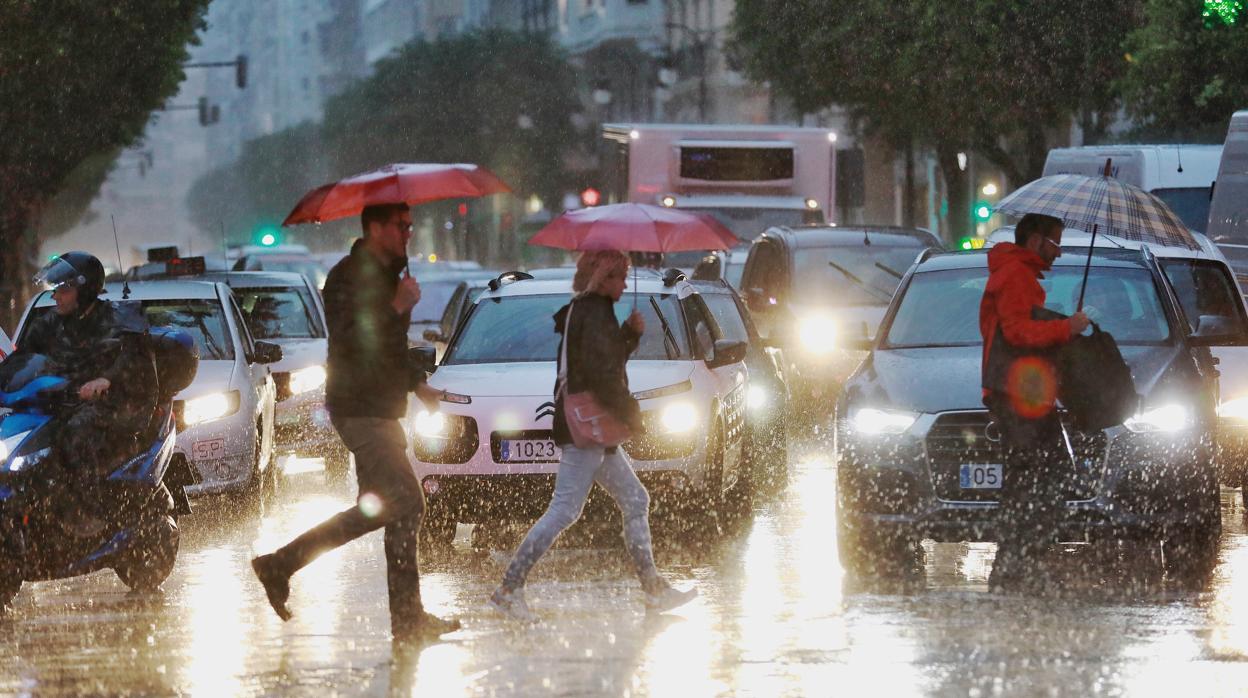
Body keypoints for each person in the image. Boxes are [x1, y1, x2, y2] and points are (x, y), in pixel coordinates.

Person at [250, 203, 458, 643]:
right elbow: (353, 341)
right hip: (359, 407)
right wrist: (395, 306)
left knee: (381, 506)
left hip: (381, 406)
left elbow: (390, 348)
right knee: (408, 503)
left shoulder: (389, 277)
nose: (408, 233)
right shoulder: (347, 276)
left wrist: (418, 383)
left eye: (410, 225)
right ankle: (407, 619)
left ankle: (281, 564)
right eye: (401, 226)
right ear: (376, 228)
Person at [487, 249, 697, 621]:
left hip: (592, 427)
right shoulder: (594, 313)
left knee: (634, 498)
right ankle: (509, 587)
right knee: (565, 509)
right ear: (602, 278)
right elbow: (602, 376)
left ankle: (653, 589)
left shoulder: (586, 311)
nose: (623, 283)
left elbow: (603, 360)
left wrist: (628, 336)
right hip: (588, 427)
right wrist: (631, 414)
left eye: (624, 275)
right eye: (618, 276)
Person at [0, 252, 157, 524]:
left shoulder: (116, 319)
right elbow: (21, 358)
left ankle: (90, 510)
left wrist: (106, 379)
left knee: (74, 435)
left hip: (110, 404)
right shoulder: (49, 324)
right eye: (57, 289)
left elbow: (132, 356)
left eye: (64, 289)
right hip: (58, 400)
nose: (56, 296)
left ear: (85, 290)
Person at [979, 214, 1090, 592]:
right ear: (1036, 241)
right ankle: (1018, 565)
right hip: (1017, 395)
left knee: (1035, 479)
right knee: (1033, 480)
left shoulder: (1018, 273)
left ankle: (1018, 564)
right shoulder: (1014, 274)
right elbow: (1017, 332)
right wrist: (1067, 328)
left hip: (1024, 393)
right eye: (1055, 243)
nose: (1058, 253)